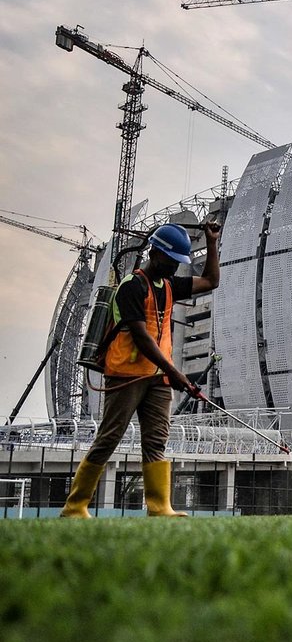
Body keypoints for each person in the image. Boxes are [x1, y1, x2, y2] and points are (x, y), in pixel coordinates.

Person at [60, 220, 220, 518]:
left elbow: (211, 281)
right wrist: (174, 371)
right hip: (127, 375)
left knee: (156, 439)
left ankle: (159, 507)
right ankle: (75, 506)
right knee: (109, 437)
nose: (175, 268)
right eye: (172, 261)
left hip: (158, 377)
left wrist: (211, 242)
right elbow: (141, 336)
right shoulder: (131, 287)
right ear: (156, 253)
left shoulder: (169, 286)